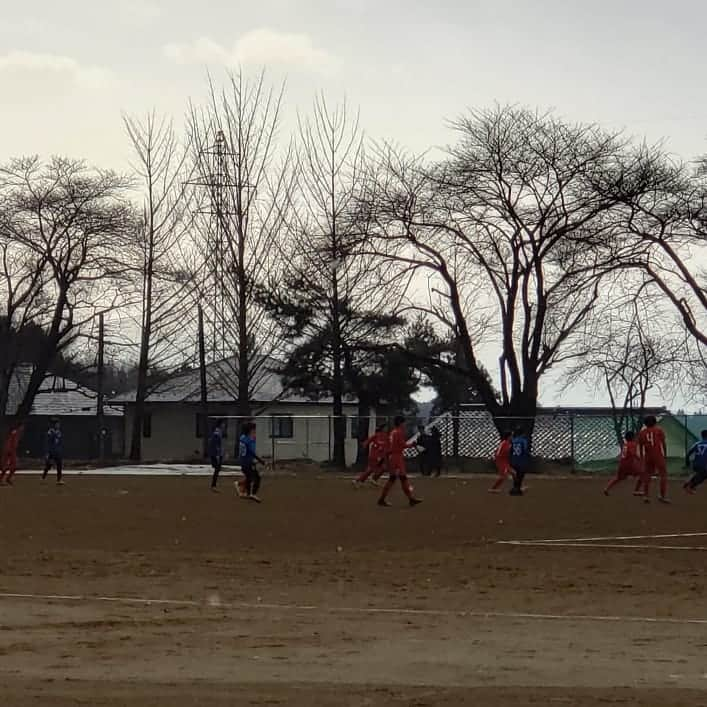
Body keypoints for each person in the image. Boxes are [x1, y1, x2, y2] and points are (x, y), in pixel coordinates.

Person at [378, 415, 422, 508]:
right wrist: (412, 445)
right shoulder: (399, 432)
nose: (404, 424)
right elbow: (402, 445)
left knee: (396, 478)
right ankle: (410, 499)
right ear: (401, 423)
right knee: (400, 478)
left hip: (394, 456)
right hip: (396, 457)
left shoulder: (393, 432)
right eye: (404, 422)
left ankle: (410, 499)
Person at [637, 415, 669, 503]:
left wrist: (642, 458)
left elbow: (640, 447)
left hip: (648, 456)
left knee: (647, 475)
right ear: (655, 422)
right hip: (658, 455)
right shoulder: (659, 430)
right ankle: (662, 496)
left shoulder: (642, 433)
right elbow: (663, 443)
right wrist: (665, 455)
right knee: (663, 475)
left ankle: (646, 496)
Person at [603, 431, 642, 496]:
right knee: (642, 473)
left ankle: (607, 488)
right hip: (629, 465)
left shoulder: (625, 444)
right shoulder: (633, 444)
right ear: (632, 437)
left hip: (622, 464)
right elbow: (633, 453)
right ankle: (636, 491)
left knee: (618, 478)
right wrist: (639, 459)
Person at [238, 421, 266, 502]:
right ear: (250, 430)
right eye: (254, 430)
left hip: (243, 461)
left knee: (249, 477)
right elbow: (252, 453)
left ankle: (244, 490)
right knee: (256, 477)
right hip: (247, 462)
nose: (255, 432)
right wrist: (261, 461)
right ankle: (252, 493)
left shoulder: (242, 438)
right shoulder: (250, 440)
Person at [684, 430, 707, 495]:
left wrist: (687, 462)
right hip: (703, 465)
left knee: (698, 473)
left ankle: (689, 481)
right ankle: (691, 486)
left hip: (695, 464)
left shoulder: (697, 443)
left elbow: (688, 453)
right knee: (704, 475)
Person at [41, 419, 64, 485]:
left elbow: (59, 442)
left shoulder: (59, 432)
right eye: (57, 424)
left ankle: (59, 480)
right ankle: (43, 477)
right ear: (54, 425)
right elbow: (48, 442)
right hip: (51, 451)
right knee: (49, 465)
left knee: (59, 465)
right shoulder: (50, 431)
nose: (58, 425)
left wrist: (60, 450)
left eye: (59, 424)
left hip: (57, 451)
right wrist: (47, 452)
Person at [509, 427, 530, 496]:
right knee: (520, 474)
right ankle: (517, 489)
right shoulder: (524, 440)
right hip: (521, 460)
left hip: (513, 459)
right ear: (522, 434)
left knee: (515, 474)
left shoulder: (513, 440)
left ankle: (515, 487)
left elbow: (510, 450)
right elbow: (525, 450)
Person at [209, 419, 226, 492]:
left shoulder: (219, 432)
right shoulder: (217, 433)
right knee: (217, 469)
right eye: (223, 423)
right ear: (220, 424)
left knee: (217, 469)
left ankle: (214, 485)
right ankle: (213, 485)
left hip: (217, 453)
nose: (224, 425)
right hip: (216, 454)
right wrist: (218, 454)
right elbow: (216, 445)